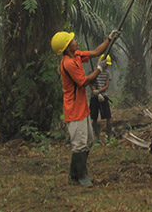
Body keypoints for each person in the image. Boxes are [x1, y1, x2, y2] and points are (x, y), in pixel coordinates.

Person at [50, 29, 120, 187]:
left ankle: (74, 174)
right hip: (74, 110)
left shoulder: (76, 56)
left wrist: (110, 38)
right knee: (79, 144)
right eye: (72, 41)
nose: (76, 41)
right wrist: (99, 69)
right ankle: (81, 177)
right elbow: (83, 82)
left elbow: (95, 52)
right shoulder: (68, 63)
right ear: (67, 47)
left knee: (88, 141)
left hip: (82, 107)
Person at [88, 54, 113, 141]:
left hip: (103, 97)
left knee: (108, 117)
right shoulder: (94, 71)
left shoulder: (107, 73)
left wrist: (99, 91)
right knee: (94, 117)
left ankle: (109, 135)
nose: (107, 66)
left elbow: (107, 85)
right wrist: (94, 91)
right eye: (106, 64)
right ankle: (96, 136)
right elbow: (90, 82)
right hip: (94, 97)